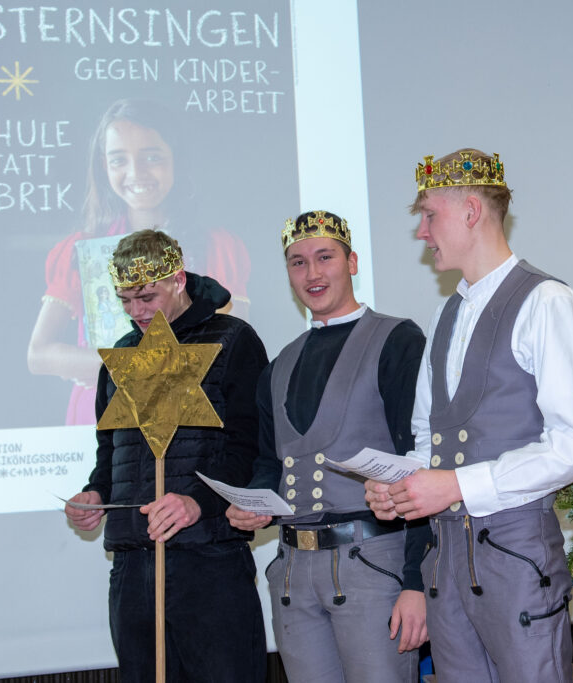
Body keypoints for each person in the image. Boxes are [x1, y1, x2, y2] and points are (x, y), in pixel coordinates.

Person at [365, 149, 573, 682]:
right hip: (445, 560)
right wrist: (399, 487)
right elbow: (429, 440)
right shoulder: (446, 314)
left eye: (430, 216)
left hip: (516, 554)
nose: (422, 232)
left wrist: (456, 485)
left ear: (471, 211)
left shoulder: (547, 302)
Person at [226, 210, 430, 682]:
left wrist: (416, 582)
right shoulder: (279, 364)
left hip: (372, 565)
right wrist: (254, 504)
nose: (312, 273)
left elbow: (420, 463)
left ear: (352, 262)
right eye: (298, 262)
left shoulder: (398, 340)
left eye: (325, 257)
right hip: (293, 573)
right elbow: (269, 462)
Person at [65, 230, 267, 683]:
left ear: (178, 280)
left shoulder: (232, 340)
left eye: (147, 297)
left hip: (208, 558)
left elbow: (250, 447)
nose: (136, 311)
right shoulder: (122, 354)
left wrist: (197, 501)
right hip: (134, 563)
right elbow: (109, 450)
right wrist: (96, 492)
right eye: (125, 300)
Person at [28, 99, 250, 425]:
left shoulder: (216, 247)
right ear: (104, 167)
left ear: (176, 159)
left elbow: (234, 351)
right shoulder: (81, 251)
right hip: (101, 421)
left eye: (152, 157)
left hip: (188, 422)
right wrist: (121, 364)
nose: (136, 173)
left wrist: (116, 365)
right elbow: (39, 353)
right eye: (119, 160)